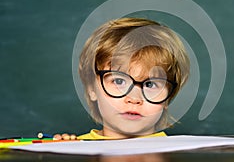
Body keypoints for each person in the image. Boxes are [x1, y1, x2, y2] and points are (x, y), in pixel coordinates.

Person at [54, 17, 190, 140]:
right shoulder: (76, 149)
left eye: (150, 85)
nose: (134, 99)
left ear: (168, 96)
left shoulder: (177, 153)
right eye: (119, 81)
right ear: (91, 88)